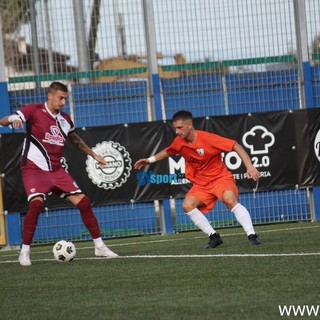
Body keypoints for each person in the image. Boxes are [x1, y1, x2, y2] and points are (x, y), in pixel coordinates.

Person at [0, 81, 118, 266]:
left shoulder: (65, 120)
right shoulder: (34, 110)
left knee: (84, 202)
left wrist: (95, 155)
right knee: (36, 204)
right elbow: (5, 120)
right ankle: (24, 252)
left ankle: (99, 246)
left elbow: (75, 139)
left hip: (57, 171)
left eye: (65, 99)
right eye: (60, 98)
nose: (63, 102)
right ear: (50, 95)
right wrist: (12, 119)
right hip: (34, 169)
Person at [134, 110, 261, 248]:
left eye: (180, 128)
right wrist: (149, 160)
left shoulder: (207, 139)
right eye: (175, 128)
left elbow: (236, 146)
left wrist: (250, 167)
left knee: (230, 199)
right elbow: (169, 151)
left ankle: (252, 235)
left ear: (190, 125)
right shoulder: (179, 142)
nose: (177, 131)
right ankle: (214, 237)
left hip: (220, 179)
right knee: (187, 205)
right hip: (201, 184)